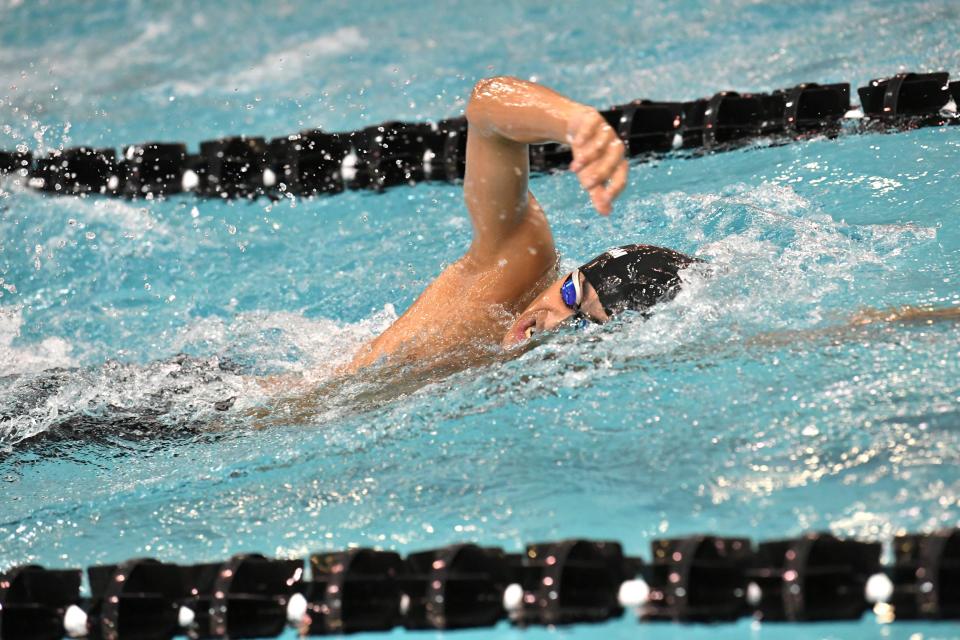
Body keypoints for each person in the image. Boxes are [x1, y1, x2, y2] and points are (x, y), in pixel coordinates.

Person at [344, 76, 697, 374]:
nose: (554, 321)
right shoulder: (503, 285)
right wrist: (573, 121)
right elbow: (486, 109)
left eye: (584, 326)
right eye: (571, 293)